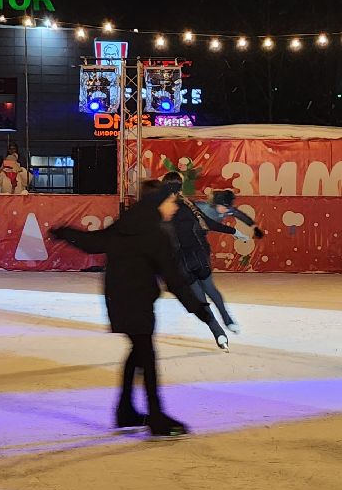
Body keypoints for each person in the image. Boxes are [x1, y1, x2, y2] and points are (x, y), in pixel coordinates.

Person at [48, 182, 227, 438]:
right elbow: (174, 279)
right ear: (158, 203)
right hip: (137, 303)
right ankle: (156, 418)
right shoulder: (155, 233)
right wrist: (200, 309)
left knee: (138, 352)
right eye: (171, 203)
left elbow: (94, 242)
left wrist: (65, 233)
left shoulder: (128, 226)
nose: (174, 209)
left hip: (120, 301)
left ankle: (125, 411)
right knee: (147, 358)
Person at [161, 171, 254, 338]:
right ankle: (228, 320)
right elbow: (209, 223)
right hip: (197, 255)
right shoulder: (188, 205)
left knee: (200, 299)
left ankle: (217, 332)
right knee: (211, 289)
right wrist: (234, 231)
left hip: (180, 262)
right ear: (180, 187)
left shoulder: (160, 209)